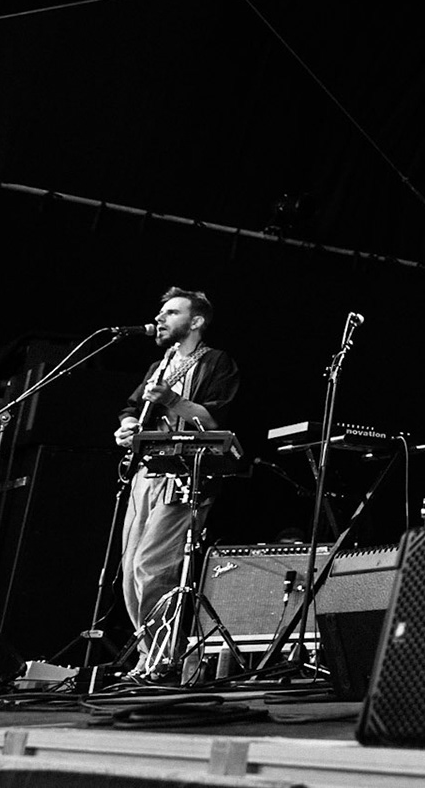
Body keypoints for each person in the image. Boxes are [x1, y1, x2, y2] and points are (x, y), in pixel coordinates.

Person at [112, 287, 241, 679]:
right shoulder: (160, 364)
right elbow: (130, 409)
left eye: (171, 312)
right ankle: (148, 656)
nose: (161, 319)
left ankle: (165, 658)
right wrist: (128, 426)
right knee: (132, 568)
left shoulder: (217, 362)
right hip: (146, 475)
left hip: (186, 476)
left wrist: (170, 399)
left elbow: (215, 419)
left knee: (154, 567)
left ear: (196, 321)